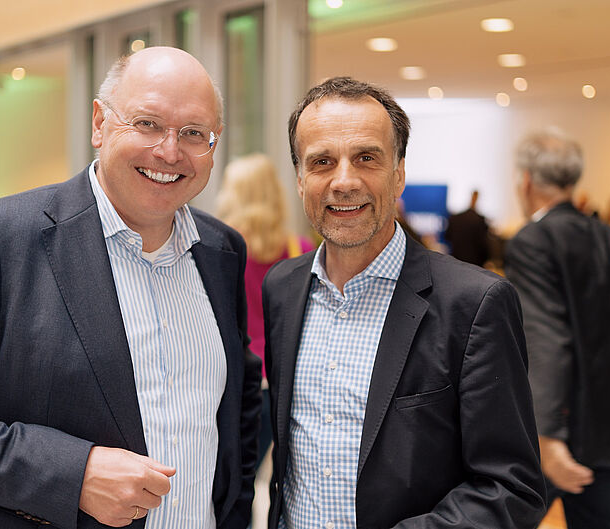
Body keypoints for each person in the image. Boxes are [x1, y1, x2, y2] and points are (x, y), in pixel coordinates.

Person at [0, 47, 261, 529]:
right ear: (99, 123)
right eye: (147, 124)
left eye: (194, 133)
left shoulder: (221, 251)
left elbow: (236, 411)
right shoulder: (0, 238)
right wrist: (72, 475)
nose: (169, 151)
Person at [262, 76, 546, 529]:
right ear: (300, 180)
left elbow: (511, 488)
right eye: (322, 162)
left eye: (366, 158)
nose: (344, 181)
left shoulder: (474, 304)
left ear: (399, 174)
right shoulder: (282, 289)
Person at [504, 129, 610, 529]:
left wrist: (548, 436)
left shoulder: (532, 240)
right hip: (609, 429)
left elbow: (546, 340)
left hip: (558, 431)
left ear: (526, 181)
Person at [216, 153, 314, 469]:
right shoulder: (300, 249)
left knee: (232, 473)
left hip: (235, 380)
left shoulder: (220, 250)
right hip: (283, 379)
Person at [444, 189, 490, 266]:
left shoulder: (455, 218)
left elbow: (447, 237)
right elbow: (483, 244)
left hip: (456, 261)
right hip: (474, 263)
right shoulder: (479, 220)